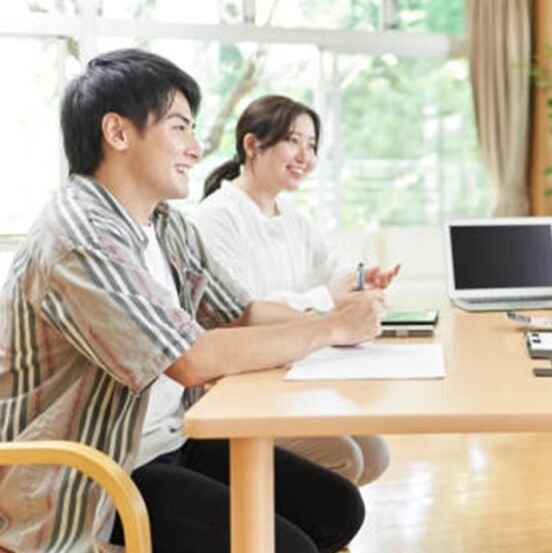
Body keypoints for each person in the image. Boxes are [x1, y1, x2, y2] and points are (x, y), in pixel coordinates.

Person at [0, 49, 381, 553]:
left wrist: (339, 320)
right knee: (288, 546)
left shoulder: (164, 223)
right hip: (95, 472)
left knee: (337, 508)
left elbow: (240, 311)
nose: (196, 148)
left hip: (169, 441)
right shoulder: (79, 237)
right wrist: (329, 330)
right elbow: (191, 360)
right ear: (117, 133)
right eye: (180, 128)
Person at [191, 95, 397, 486]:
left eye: (312, 145)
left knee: (374, 453)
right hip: (239, 381)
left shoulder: (292, 218)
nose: (305, 155)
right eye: (294, 141)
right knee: (345, 459)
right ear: (252, 146)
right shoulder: (217, 217)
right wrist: (329, 301)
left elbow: (332, 270)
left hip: (288, 369)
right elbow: (241, 312)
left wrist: (359, 281)